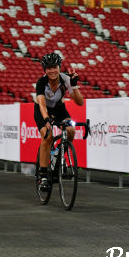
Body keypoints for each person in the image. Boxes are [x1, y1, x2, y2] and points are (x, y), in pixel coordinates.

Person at [34, 52, 84, 191]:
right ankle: (43, 176)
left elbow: (79, 102)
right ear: (45, 70)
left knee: (71, 130)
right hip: (42, 110)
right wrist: (46, 119)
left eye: (54, 67)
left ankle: (59, 158)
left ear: (59, 68)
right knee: (48, 136)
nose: (52, 71)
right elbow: (42, 104)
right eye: (49, 68)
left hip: (59, 108)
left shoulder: (66, 79)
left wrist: (74, 86)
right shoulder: (41, 82)